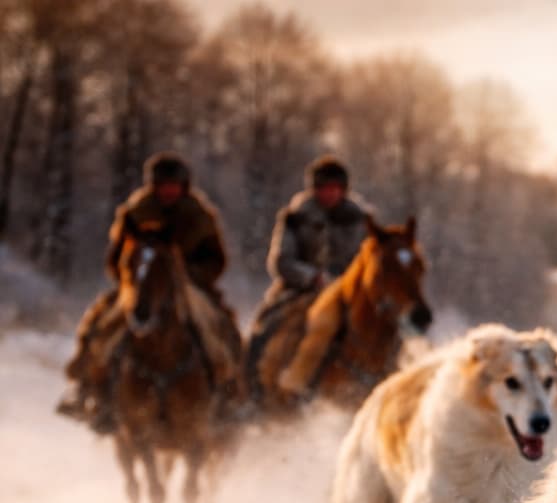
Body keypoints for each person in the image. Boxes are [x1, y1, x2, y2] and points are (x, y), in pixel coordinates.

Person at [58, 152, 242, 431]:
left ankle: (228, 394)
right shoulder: (134, 214)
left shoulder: (200, 217)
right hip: (138, 287)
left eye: (173, 185)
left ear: (183, 186)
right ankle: (89, 390)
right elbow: (115, 259)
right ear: (153, 186)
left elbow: (217, 260)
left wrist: (188, 278)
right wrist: (133, 280)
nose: (168, 190)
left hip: (190, 288)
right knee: (100, 327)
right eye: (163, 184)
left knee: (219, 329)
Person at [244, 155, 373, 395]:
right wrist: (312, 277)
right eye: (324, 188)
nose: (330, 194)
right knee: (263, 331)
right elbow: (281, 260)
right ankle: (252, 389)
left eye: (335, 188)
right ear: (314, 190)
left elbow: (369, 263)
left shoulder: (361, 222)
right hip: (300, 291)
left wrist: (346, 281)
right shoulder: (295, 217)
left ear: (344, 190)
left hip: (349, 293)